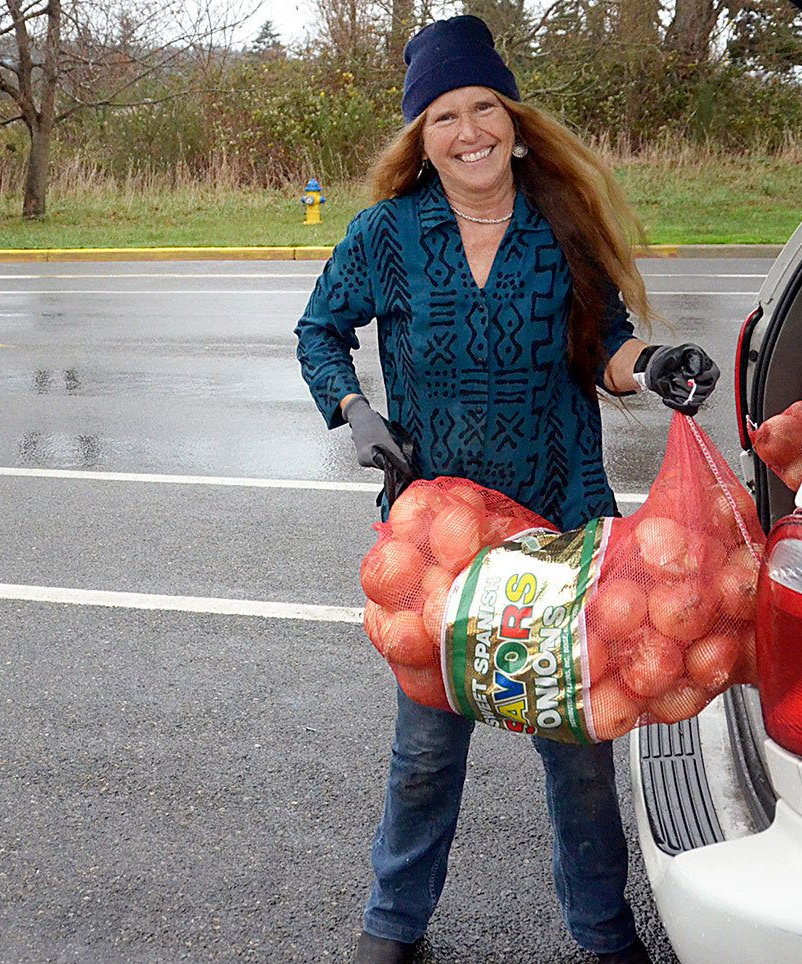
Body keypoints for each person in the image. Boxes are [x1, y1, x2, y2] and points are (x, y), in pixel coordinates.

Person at [294, 15, 718, 964]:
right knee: (426, 752)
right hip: (440, 535)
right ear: (422, 138)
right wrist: (356, 414)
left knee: (578, 756)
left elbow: (604, 346)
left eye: (483, 106)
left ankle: (605, 934)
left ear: (515, 123)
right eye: (443, 115)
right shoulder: (388, 235)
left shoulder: (558, 228)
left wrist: (652, 368)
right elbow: (319, 331)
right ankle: (393, 927)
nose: (467, 129)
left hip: (563, 525)